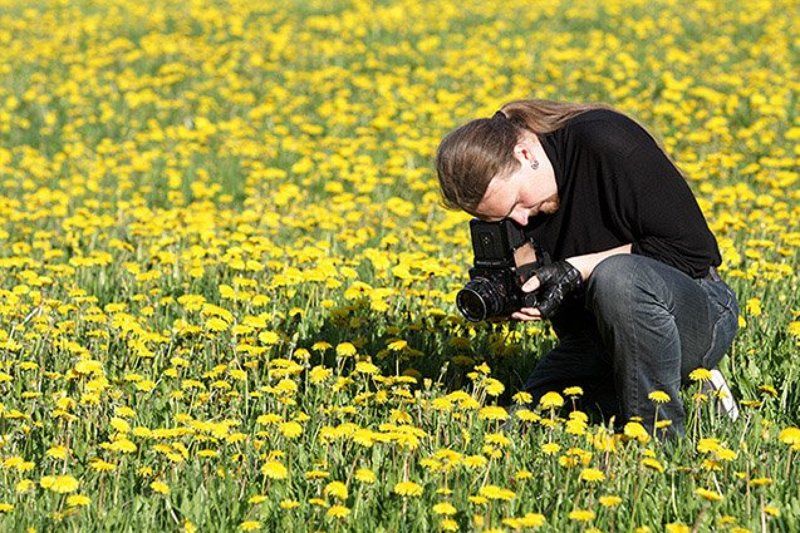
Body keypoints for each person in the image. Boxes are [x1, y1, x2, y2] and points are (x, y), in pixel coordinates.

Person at [435, 99, 740, 439]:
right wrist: (517, 294)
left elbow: (694, 253)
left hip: (696, 309)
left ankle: (658, 442)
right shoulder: (517, 212)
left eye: (518, 202)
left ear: (524, 153)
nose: (521, 218)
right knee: (521, 427)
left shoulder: (606, 142)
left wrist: (578, 268)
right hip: (596, 338)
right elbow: (533, 277)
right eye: (504, 217)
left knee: (617, 277)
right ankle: (637, 395)